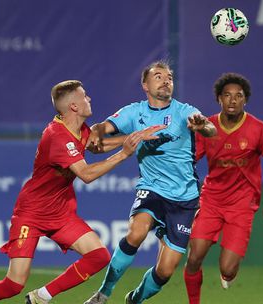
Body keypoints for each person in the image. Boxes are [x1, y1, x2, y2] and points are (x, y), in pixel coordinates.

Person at [0, 80, 163, 304]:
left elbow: (97, 146)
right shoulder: (57, 136)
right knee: (13, 284)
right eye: (84, 96)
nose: (89, 99)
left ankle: (41, 296)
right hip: (32, 213)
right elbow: (86, 174)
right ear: (74, 107)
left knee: (98, 256)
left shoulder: (78, 129)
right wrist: (123, 154)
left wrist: (135, 137)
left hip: (60, 213)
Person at [84, 60, 217, 304]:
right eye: (158, 76)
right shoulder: (135, 112)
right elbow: (103, 128)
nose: (165, 80)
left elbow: (209, 128)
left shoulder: (184, 110)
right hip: (152, 189)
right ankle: (103, 293)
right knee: (136, 233)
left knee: (165, 271)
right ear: (145, 84)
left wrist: (203, 126)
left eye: (169, 77)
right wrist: (95, 130)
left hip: (185, 200)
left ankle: (134, 299)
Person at [183, 73, 263, 303]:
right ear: (219, 99)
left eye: (238, 96)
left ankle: (227, 273)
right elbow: (188, 161)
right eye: (227, 95)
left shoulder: (258, 129)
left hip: (242, 204)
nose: (233, 100)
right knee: (193, 257)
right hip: (211, 200)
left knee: (228, 269)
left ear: (245, 100)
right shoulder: (207, 127)